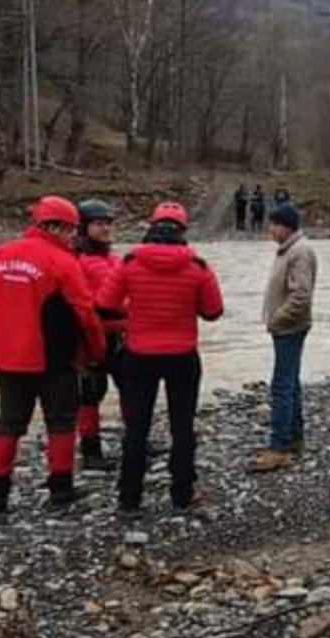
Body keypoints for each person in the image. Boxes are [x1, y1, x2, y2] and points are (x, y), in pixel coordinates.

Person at [0, 195, 106, 519]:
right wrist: (95, 354)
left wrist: (3, 330)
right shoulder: (63, 263)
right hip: (54, 359)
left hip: (8, 356)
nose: (74, 237)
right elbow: (85, 314)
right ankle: (61, 492)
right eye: (72, 230)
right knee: (60, 423)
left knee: (8, 424)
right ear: (63, 227)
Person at [97, 202, 224, 514]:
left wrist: (135, 313)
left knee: (136, 428)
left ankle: (129, 499)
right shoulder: (198, 266)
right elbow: (213, 312)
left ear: (151, 227)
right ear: (182, 231)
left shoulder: (129, 262)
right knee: (183, 427)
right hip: (182, 356)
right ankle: (181, 494)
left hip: (139, 355)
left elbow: (103, 305)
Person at [256, 203, 317, 472]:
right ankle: (294, 438)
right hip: (287, 327)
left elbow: (301, 296)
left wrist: (277, 319)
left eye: (273, 224)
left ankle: (279, 447)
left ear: (285, 226)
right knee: (290, 382)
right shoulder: (289, 250)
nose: (269, 230)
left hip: (289, 327)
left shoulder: (299, 252)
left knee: (281, 385)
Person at [74, 199, 125, 471]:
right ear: (84, 227)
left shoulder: (113, 258)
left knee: (129, 387)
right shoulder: (78, 261)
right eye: (99, 223)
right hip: (91, 336)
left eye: (108, 223)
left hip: (119, 333)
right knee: (92, 393)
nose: (106, 228)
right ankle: (91, 450)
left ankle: (136, 438)